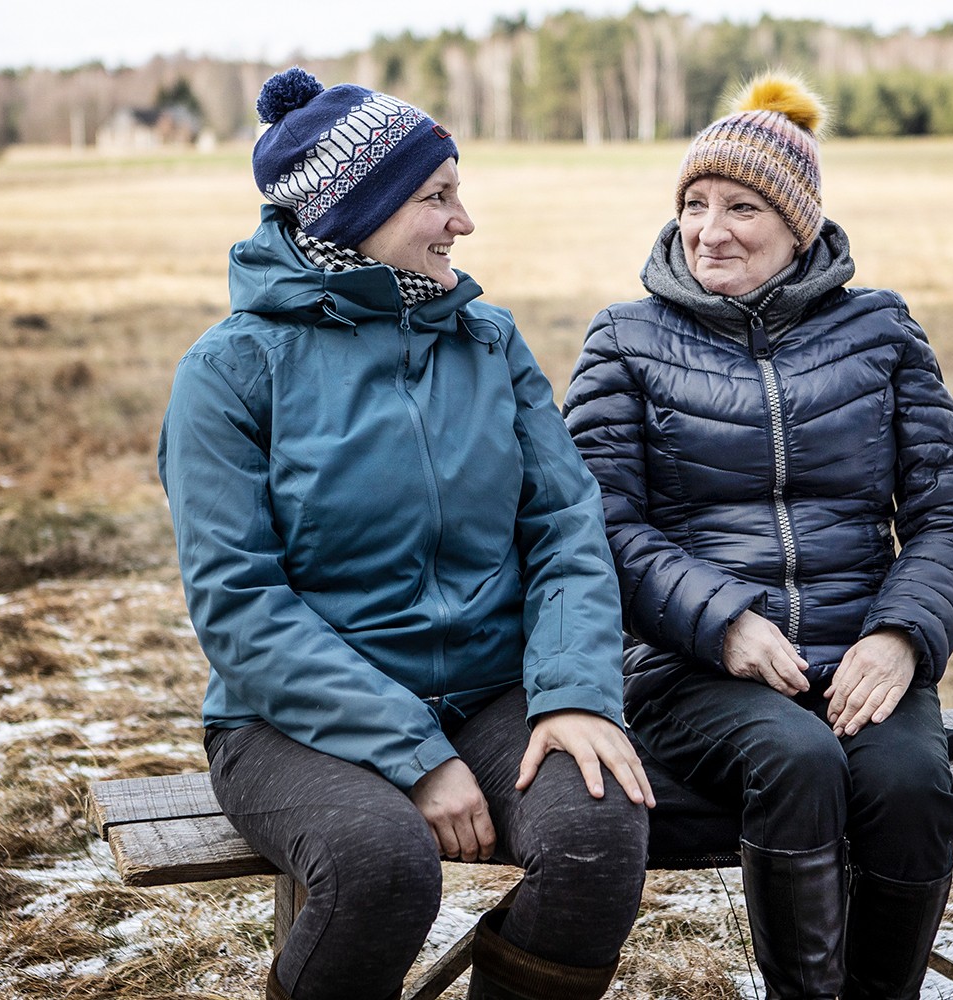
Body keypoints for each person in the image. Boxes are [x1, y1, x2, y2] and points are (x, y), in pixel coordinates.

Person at [158, 67, 653, 1000]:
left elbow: (564, 527)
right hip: (289, 720)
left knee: (597, 830)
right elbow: (238, 605)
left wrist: (575, 693)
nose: (462, 221)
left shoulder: (489, 341)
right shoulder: (229, 373)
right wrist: (415, 755)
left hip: (491, 691)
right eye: (436, 197)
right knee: (382, 867)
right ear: (355, 212)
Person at [564, 74, 953, 1000]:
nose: (708, 229)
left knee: (913, 789)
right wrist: (721, 622)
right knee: (798, 760)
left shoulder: (879, 329)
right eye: (693, 203)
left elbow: (951, 510)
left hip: (859, 659)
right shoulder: (623, 342)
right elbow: (595, 524)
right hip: (691, 670)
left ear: (798, 225)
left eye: (741, 207)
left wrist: (898, 635)